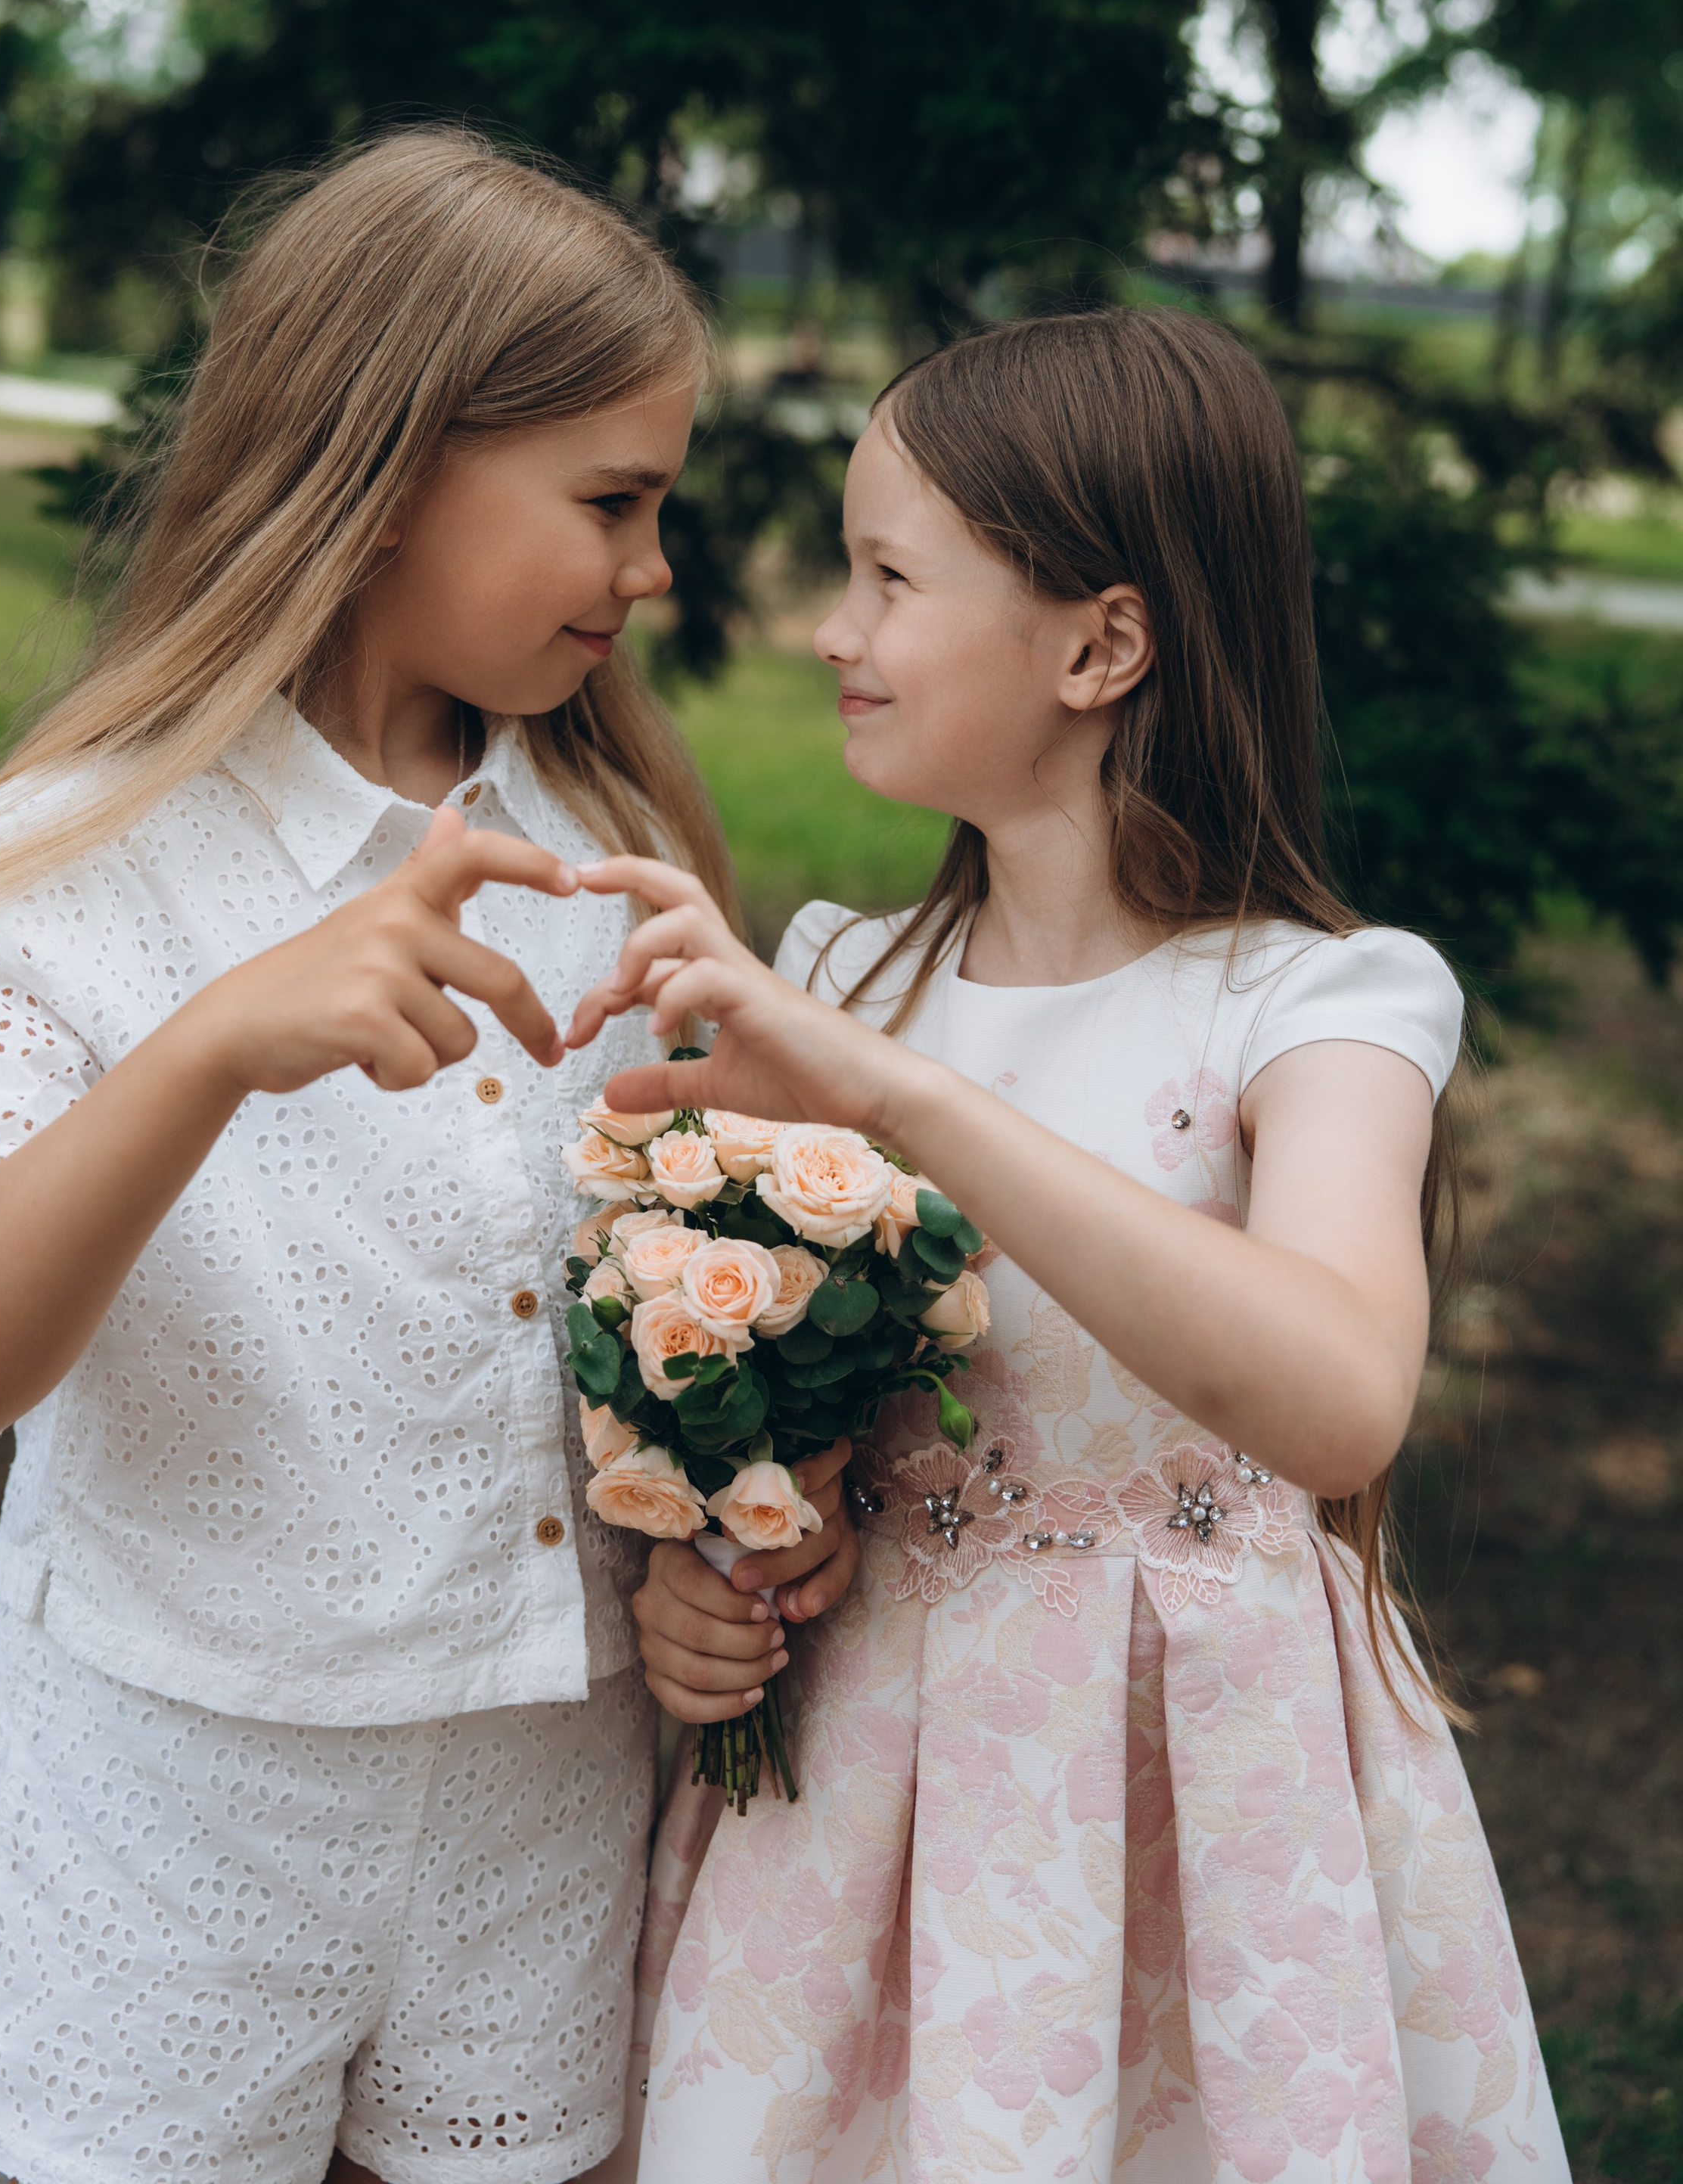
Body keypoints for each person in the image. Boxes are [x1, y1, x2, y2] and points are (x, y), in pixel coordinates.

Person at [0, 128, 856, 2184]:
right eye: (612, 503)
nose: (654, 575)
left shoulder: (624, 876)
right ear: (388, 469)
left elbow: (660, 1348)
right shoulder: (55, 876)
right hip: (168, 1839)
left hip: (543, 1838)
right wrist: (205, 1051)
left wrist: (713, 1547)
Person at [567, 308, 1570, 2180]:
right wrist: (705, 1587)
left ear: (1100, 645)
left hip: (1201, 1807)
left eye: (885, 578)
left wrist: (906, 1103)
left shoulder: (1321, 1007)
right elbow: (772, 1424)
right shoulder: (841, 978)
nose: (832, 632)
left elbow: (1339, 1399)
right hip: (866, 1809)